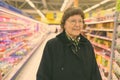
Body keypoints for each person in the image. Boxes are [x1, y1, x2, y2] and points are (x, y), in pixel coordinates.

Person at [36, 7, 102, 80]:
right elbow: (43, 75)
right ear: (64, 24)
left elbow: (94, 72)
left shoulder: (87, 45)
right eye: (73, 21)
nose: (77, 25)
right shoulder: (52, 45)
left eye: (80, 21)